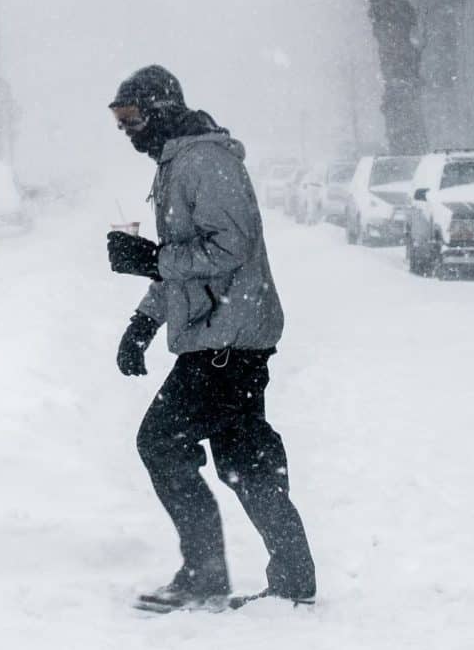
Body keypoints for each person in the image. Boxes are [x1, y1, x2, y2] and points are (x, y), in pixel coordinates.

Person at [105, 65, 316, 612]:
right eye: (118, 120)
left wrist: (152, 258)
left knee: (161, 442)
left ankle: (204, 574)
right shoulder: (178, 164)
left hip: (227, 340)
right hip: (223, 336)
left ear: (160, 110)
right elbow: (186, 265)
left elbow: (231, 249)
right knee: (244, 457)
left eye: (131, 118)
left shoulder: (205, 162)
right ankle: (293, 578)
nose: (125, 130)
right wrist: (143, 323)